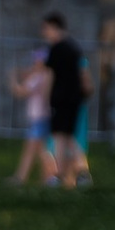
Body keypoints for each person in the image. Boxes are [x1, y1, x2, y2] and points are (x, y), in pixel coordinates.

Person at [40, 12, 90, 190]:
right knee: (69, 136)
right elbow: (83, 74)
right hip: (75, 98)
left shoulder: (56, 49)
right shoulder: (75, 47)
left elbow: (50, 75)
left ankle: (59, 175)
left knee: (59, 137)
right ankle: (83, 173)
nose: (44, 33)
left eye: (46, 28)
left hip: (60, 98)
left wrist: (45, 99)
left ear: (54, 27)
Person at [7, 43, 52, 187]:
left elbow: (20, 91)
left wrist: (12, 78)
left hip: (39, 118)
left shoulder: (39, 77)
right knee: (41, 151)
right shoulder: (45, 76)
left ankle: (21, 178)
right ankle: (48, 178)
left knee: (33, 150)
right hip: (44, 117)